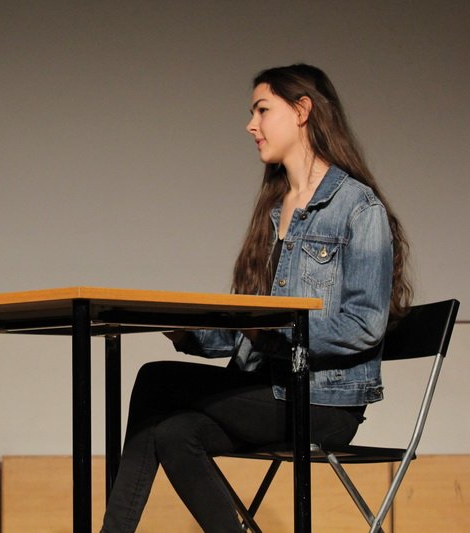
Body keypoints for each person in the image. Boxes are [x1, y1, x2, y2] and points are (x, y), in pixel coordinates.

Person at [100, 64, 413, 532]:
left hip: (324, 403)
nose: (251, 125)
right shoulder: (274, 210)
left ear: (302, 110)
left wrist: (276, 329)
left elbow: (365, 325)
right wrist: (189, 334)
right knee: (173, 432)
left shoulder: (358, 207)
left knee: (155, 381)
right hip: (266, 390)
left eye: (262, 110)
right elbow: (249, 332)